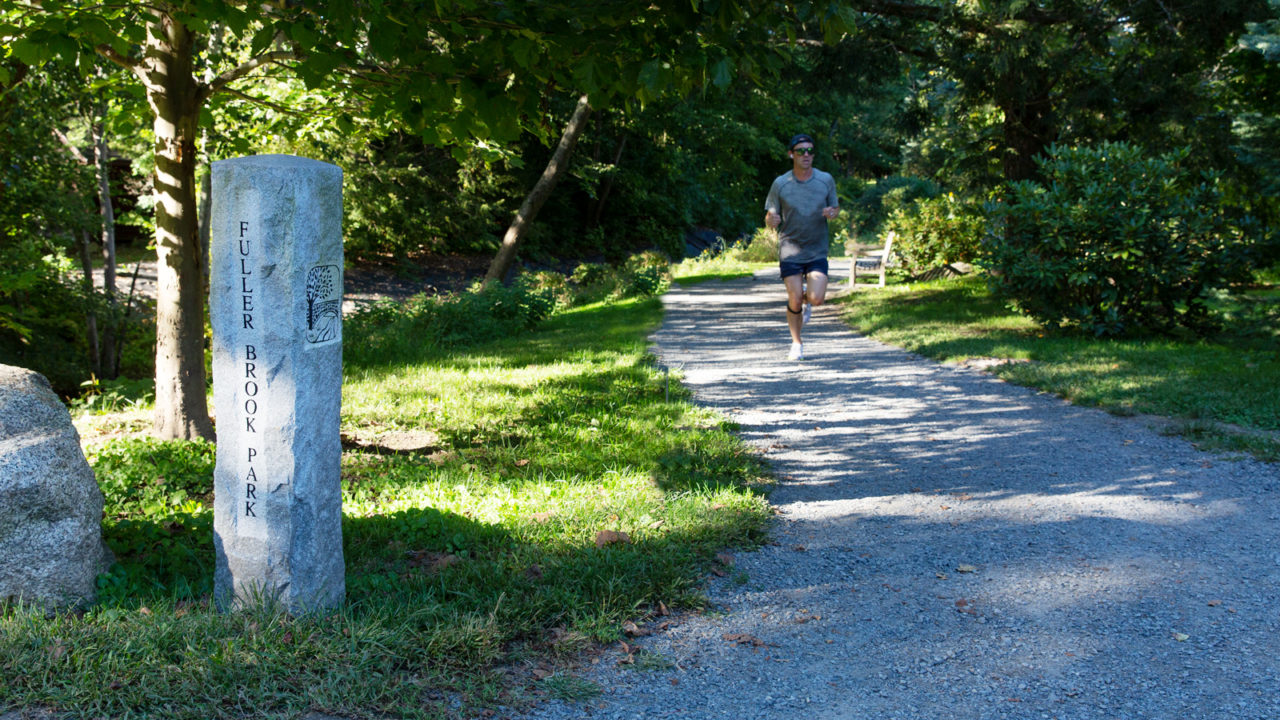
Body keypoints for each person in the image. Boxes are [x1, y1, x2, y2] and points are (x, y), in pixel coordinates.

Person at [764, 133, 839, 360]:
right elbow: (770, 214)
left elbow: (835, 209)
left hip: (816, 248)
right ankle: (797, 343)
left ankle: (808, 303)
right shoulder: (781, 183)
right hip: (790, 248)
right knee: (794, 298)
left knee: (816, 299)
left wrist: (832, 213)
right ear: (791, 154)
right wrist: (771, 220)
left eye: (810, 151)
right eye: (800, 151)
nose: (806, 155)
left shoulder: (825, 180)